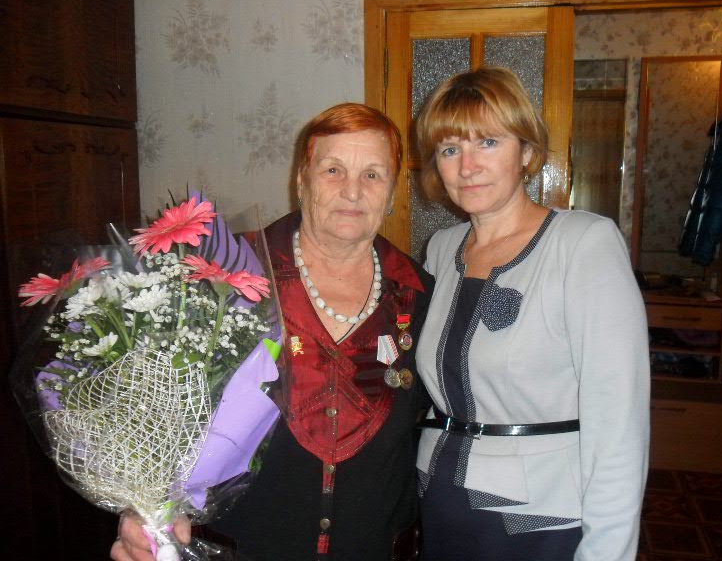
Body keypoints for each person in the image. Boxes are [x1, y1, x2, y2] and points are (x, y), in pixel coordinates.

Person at [111, 103, 433, 561]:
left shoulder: (420, 293)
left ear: (393, 192)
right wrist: (143, 507)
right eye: (333, 170)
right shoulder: (225, 274)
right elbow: (154, 407)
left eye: (372, 175)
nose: (352, 190)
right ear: (301, 181)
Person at [413, 66, 650, 560]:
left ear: (525, 151)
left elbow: (619, 423)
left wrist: (608, 551)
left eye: (488, 143)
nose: (467, 166)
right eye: (450, 149)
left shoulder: (583, 244)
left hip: (539, 517)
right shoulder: (440, 248)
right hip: (440, 500)